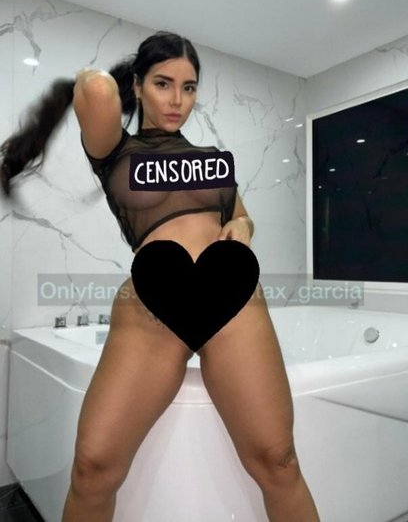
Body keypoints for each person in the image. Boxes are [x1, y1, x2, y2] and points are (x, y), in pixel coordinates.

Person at [0, 31, 320, 522]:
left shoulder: (212, 160)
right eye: (163, 83)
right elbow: (96, 91)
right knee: (92, 470)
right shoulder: (115, 150)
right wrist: (102, 77)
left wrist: (242, 226)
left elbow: (241, 216)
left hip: (230, 293)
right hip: (153, 300)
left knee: (279, 462)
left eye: (189, 88)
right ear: (137, 85)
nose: (177, 100)